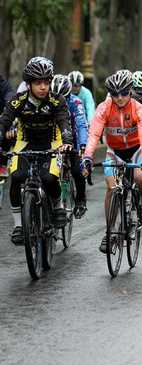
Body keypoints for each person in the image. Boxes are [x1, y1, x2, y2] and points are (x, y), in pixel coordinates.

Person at [0, 57, 73, 245]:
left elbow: (64, 122)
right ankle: (18, 225)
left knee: (49, 178)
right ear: (29, 84)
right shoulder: (19, 101)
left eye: (46, 82)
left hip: (52, 142)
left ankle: (57, 206)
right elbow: (4, 121)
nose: (43, 87)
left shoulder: (57, 100)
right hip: (25, 143)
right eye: (37, 83)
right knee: (16, 177)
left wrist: (66, 142)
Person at [81, 70, 142, 253]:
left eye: (123, 93)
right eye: (115, 94)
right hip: (114, 152)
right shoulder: (104, 108)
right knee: (112, 188)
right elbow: (94, 135)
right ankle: (111, 231)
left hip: (136, 150)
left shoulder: (139, 109)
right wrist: (87, 157)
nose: (119, 98)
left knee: (139, 178)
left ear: (130, 91)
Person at [50, 74, 89, 218]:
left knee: (77, 171)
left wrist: (83, 145)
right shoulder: (45, 101)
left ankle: (80, 200)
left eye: (63, 97)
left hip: (72, 139)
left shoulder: (76, 102)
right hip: (52, 140)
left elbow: (81, 125)